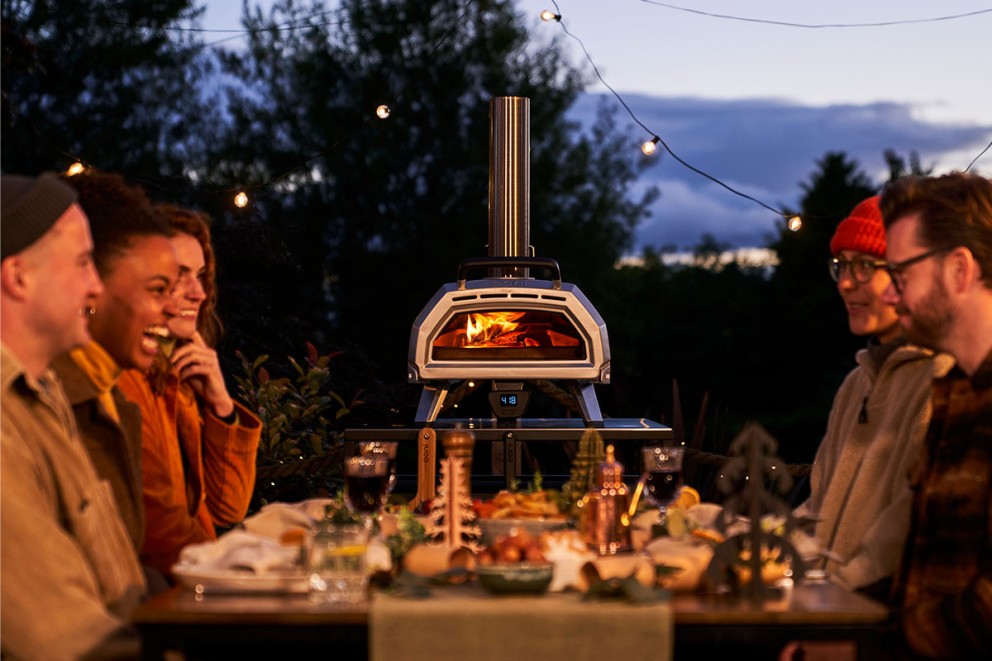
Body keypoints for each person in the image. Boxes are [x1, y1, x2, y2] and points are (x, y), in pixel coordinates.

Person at [1, 172, 146, 659]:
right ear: (18, 277)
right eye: (83, 263)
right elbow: (65, 641)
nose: (96, 285)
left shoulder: (43, 392)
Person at [796, 196, 953, 596]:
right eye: (841, 265)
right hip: (820, 608)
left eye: (866, 265)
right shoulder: (855, 384)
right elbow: (816, 514)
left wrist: (829, 607)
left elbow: (897, 542)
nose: (846, 282)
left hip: (870, 624)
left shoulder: (943, 381)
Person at [879, 171, 992, 659]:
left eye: (900, 276)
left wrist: (865, 649)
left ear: (959, 270)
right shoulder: (956, 395)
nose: (888, 294)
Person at [117, 204, 261, 578]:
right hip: (169, 597)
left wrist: (221, 405)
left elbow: (229, 507)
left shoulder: (176, 372)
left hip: (189, 583)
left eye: (200, 275)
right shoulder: (126, 378)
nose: (197, 293)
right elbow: (158, 528)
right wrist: (240, 575)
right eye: (180, 275)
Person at [52, 170, 179, 555]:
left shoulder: (115, 401)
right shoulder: (47, 400)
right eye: (159, 289)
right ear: (93, 284)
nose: (173, 309)